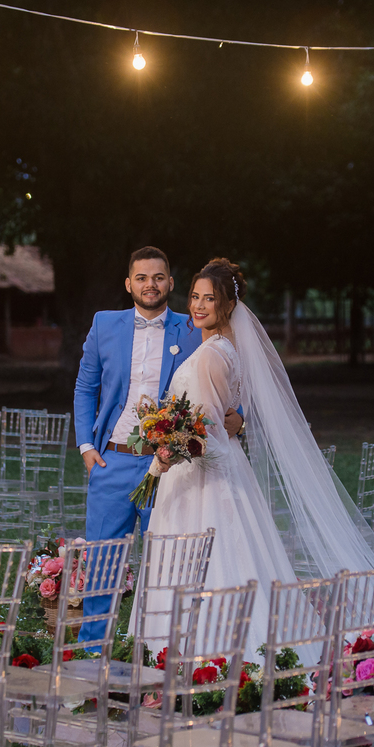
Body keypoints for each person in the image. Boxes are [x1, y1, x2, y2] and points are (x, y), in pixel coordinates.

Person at [144, 258, 374, 660]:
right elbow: (223, 421)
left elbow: (209, 435)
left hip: (202, 480)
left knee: (208, 565)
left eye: (210, 299)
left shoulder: (209, 356)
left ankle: (205, 657)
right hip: (217, 473)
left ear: (228, 306)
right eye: (195, 297)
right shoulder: (225, 349)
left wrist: (169, 452)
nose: (199, 306)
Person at [73, 247, 242, 645]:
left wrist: (240, 418)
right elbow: (85, 387)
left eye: (159, 277)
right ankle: (91, 652)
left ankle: (155, 652)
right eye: (143, 277)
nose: (151, 284)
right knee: (101, 564)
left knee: (166, 567)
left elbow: (231, 374)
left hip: (171, 469)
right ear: (129, 284)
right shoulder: (103, 324)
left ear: (170, 282)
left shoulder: (195, 326)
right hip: (110, 460)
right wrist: (85, 446)